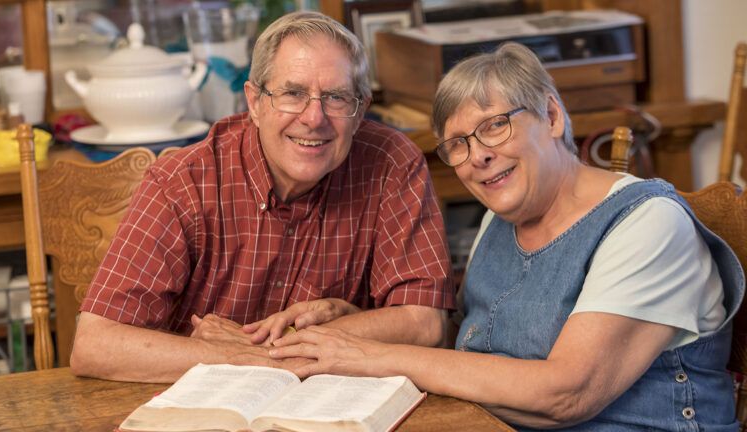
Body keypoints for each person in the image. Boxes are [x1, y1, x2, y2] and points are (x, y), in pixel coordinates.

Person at [268, 42, 745, 431]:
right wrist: (357, 321)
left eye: (495, 126)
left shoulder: (649, 223)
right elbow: (475, 346)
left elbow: (566, 393)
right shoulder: (501, 220)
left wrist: (371, 356)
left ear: (552, 117)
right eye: (458, 144)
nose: (478, 157)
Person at [69, 11, 455, 383]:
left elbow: (425, 323)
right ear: (254, 102)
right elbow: (96, 345)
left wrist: (276, 348)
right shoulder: (182, 182)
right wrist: (251, 359)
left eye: (336, 97)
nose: (313, 118)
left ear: (360, 110)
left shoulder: (392, 162)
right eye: (293, 93)